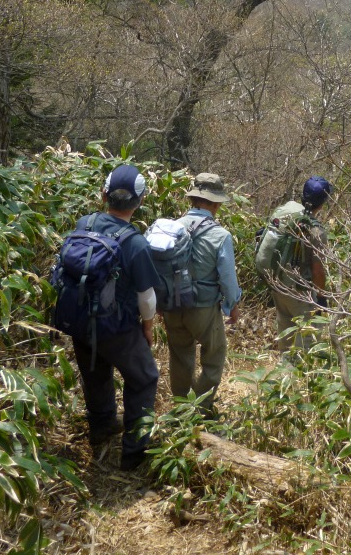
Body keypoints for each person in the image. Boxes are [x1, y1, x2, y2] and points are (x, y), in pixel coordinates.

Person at [70, 164, 160, 471]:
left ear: (103, 195)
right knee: (144, 378)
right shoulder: (135, 243)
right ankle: (134, 453)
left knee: (95, 373)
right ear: (141, 201)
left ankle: (102, 426)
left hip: (78, 320)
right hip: (117, 328)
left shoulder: (85, 222)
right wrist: (148, 329)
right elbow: (146, 297)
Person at [161, 172, 241, 413]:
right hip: (204, 307)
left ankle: (181, 408)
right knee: (214, 356)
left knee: (180, 356)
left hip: (173, 303)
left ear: (192, 200)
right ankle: (200, 408)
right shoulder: (220, 235)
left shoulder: (171, 228)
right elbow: (227, 278)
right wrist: (232, 305)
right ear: (216, 204)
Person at [268, 175, 332, 354]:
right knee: (307, 343)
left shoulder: (286, 213)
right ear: (323, 202)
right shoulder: (316, 230)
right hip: (300, 292)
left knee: (286, 338)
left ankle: (285, 376)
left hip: (279, 284)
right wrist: (320, 299)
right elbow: (318, 270)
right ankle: (300, 379)